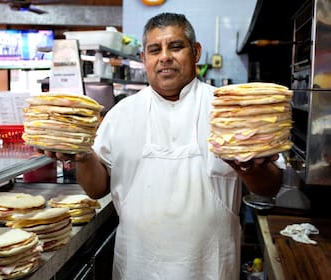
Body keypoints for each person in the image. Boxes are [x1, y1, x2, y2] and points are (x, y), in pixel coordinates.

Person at [46, 12, 283, 279]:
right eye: (155, 49)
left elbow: (269, 187)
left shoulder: (228, 110)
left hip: (211, 268)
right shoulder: (122, 114)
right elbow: (96, 189)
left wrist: (249, 168)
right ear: (144, 58)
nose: (165, 57)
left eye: (176, 46)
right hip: (138, 267)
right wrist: (84, 157)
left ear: (196, 52)